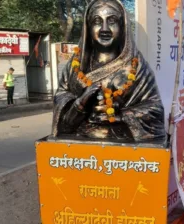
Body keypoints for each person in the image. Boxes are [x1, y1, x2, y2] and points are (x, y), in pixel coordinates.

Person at [52, 0, 165, 143]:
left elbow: (155, 109)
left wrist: (122, 116)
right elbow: (61, 107)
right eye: (97, 21)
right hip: (80, 146)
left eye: (112, 21)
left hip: (124, 146)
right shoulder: (75, 67)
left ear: (122, 26)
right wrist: (80, 103)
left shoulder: (137, 67)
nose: (104, 29)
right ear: (88, 27)